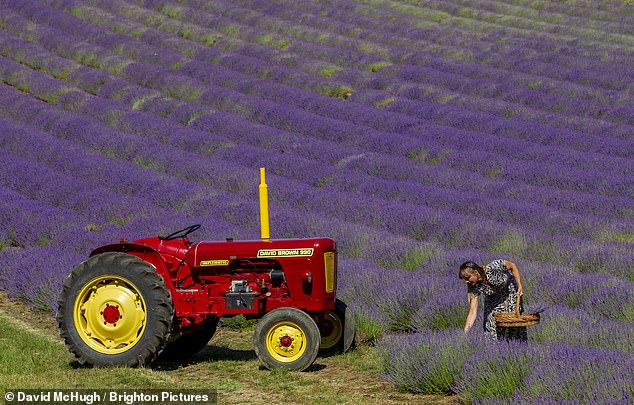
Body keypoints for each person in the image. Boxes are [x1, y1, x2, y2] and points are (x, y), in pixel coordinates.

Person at [459, 260, 527, 342]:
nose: (466, 281)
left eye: (467, 278)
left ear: (476, 272)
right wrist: (465, 332)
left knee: (513, 324)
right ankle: (495, 350)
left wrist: (519, 286)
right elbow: (473, 311)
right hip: (493, 301)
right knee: (490, 326)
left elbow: (512, 266)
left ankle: (518, 348)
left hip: (509, 294)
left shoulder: (494, 267)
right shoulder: (475, 286)